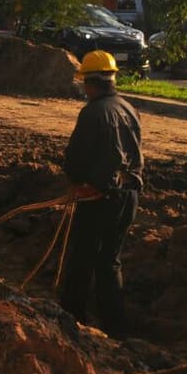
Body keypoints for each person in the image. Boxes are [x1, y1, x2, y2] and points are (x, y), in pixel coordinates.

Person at [59, 50, 143, 340]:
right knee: (109, 261)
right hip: (128, 196)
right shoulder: (128, 108)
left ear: (89, 83)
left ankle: (70, 318)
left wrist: (81, 183)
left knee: (82, 258)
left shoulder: (94, 112)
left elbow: (78, 158)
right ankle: (116, 327)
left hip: (100, 198)